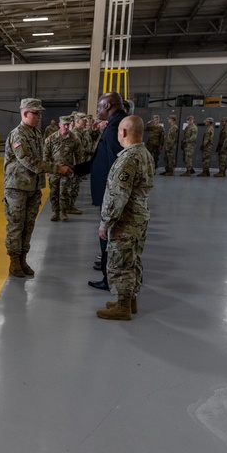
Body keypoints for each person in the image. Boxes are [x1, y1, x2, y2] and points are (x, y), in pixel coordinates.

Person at [3, 98, 73, 278]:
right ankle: (14, 261)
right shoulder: (18, 135)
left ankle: (23, 258)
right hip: (17, 187)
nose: (39, 117)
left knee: (29, 224)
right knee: (16, 225)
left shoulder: (35, 133)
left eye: (40, 113)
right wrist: (57, 168)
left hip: (33, 187)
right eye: (36, 113)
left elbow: (41, 159)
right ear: (25, 113)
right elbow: (29, 162)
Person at [96, 116, 153, 320]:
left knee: (120, 262)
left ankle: (122, 306)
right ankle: (130, 299)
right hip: (139, 217)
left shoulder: (128, 159)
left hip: (125, 220)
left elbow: (117, 196)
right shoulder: (144, 154)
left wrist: (105, 223)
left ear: (124, 132)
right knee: (133, 260)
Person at [73, 92, 127, 290]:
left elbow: (116, 163)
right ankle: (107, 268)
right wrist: (77, 170)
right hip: (109, 190)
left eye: (99, 106)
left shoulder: (115, 127)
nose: (97, 110)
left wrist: (113, 194)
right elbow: (100, 159)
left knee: (108, 234)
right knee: (107, 234)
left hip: (111, 192)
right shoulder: (116, 123)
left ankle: (109, 278)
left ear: (109, 105)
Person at [44, 116, 79, 222]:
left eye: (68, 124)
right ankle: (55, 212)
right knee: (54, 192)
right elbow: (46, 154)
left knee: (64, 191)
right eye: (64, 124)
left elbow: (78, 155)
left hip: (67, 170)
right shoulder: (51, 138)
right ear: (59, 125)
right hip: (54, 169)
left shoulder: (74, 138)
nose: (66, 127)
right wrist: (47, 168)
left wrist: (77, 170)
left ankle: (63, 212)